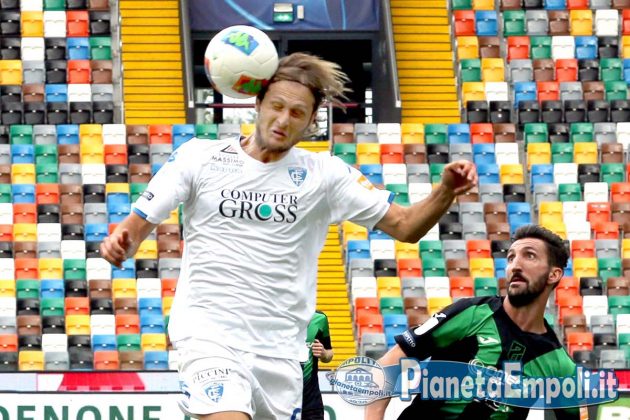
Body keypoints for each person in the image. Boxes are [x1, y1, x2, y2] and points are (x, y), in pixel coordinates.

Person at [99, 52, 477, 420]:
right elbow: (136, 225)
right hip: (208, 336)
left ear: (311, 121)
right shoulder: (199, 157)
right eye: (276, 106)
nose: (283, 119)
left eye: (296, 113)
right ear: (258, 104)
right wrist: (122, 243)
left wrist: (445, 190)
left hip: (281, 352)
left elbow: (406, 226)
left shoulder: (325, 174)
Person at [365, 225, 584, 420]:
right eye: (510, 258)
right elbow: (389, 363)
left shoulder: (559, 364)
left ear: (554, 275)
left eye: (530, 256)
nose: (515, 265)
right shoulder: (471, 313)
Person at [301, 311, 334, 420]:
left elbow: (329, 353)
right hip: (284, 400)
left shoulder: (320, 318)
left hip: (311, 401)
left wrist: (324, 353)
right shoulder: (280, 318)